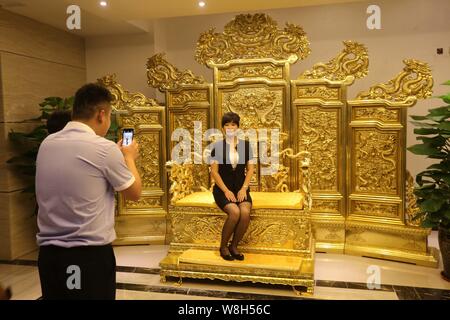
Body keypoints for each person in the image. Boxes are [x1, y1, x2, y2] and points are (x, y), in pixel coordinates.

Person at [35, 83, 142, 300]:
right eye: (110, 115)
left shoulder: (47, 143)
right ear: (101, 114)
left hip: (49, 256)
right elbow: (134, 193)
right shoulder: (103, 148)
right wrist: (129, 157)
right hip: (85, 257)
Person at [209, 112, 255, 261]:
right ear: (223, 128)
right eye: (227, 125)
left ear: (238, 127)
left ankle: (234, 246)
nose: (230, 127)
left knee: (245, 212)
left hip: (241, 188)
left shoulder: (246, 145)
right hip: (223, 189)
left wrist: (244, 188)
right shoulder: (217, 147)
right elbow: (214, 173)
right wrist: (226, 190)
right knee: (234, 212)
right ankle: (223, 246)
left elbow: (251, 169)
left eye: (233, 124)